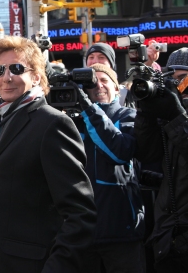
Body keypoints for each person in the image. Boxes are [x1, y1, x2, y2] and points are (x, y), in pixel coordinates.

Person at [0, 35, 96, 272]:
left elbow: (80, 214)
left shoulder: (53, 124)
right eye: (0, 70)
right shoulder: (0, 120)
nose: (6, 77)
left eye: (16, 68)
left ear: (36, 76)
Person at [69, 63, 145, 272]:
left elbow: (119, 152)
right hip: (81, 232)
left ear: (117, 88)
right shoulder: (73, 121)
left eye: (105, 80)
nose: (99, 86)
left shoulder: (127, 116)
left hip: (121, 231)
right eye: (93, 82)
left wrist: (88, 109)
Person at [134, 48, 188, 271]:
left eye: (184, 79)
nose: (179, 86)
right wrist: (146, 114)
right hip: (168, 236)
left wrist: (176, 117)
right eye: (172, 79)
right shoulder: (169, 114)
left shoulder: (175, 116)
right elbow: (147, 154)